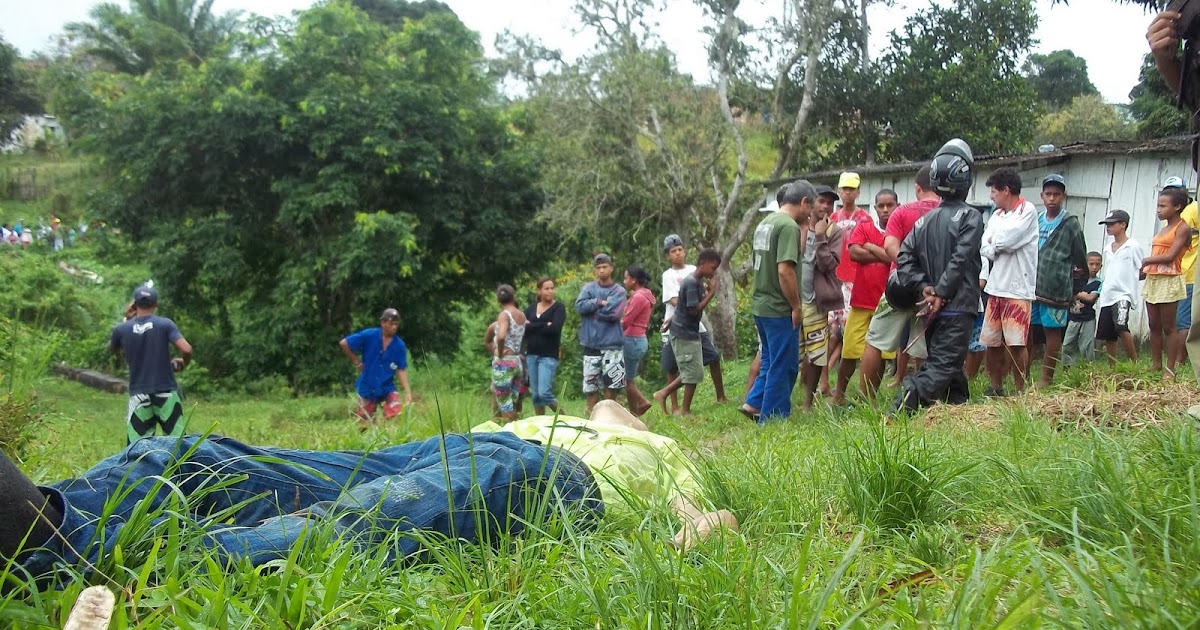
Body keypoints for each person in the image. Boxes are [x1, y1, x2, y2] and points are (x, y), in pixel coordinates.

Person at [0, 401, 737, 581]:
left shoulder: (669, 456)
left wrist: (691, 530)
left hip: (553, 482)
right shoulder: (602, 416)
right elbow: (611, 406)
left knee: (367, 517)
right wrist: (613, 413)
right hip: (480, 439)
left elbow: (710, 520)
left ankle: (95, 566)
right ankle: (42, 520)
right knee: (197, 456)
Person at [890, 139, 983, 416]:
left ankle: (958, 411)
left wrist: (925, 289)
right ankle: (898, 410)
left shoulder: (923, 221)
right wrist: (939, 292)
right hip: (958, 305)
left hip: (935, 306)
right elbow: (960, 259)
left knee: (950, 364)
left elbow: (904, 258)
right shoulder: (971, 217)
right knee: (942, 366)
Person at [860, 167, 940, 399]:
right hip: (936, 288)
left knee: (875, 340)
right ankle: (926, 400)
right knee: (926, 344)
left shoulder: (902, 212)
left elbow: (890, 247)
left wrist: (912, 271)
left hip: (900, 285)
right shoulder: (948, 212)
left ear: (917, 188)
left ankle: (867, 401)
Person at [741, 181, 814, 423]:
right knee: (784, 365)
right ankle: (772, 419)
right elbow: (785, 271)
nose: (810, 214)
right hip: (778, 308)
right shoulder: (788, 226)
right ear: (804, 202)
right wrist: (795, 306)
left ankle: (754, 403)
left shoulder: (766, 223)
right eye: (810, 208)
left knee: (771, 359)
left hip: (761, 303)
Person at [834, 189, 896, 405]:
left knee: (881, 353)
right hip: (861, 299)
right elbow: (853, 253)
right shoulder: (865, 227)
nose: (886, 210)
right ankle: (838, 395)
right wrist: (885, 254)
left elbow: (898, 257)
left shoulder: (899, 231)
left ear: (897, 206)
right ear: (875, 208)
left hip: (887, 301)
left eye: (890, 205)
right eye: (881, 205)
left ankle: (869, 398)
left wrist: (869, 247)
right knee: (850, 350)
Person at [979, 167, 1038, 396]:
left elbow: (1006, 241)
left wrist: (996, 243)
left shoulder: (1028, 210)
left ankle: (1020, 389)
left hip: (1018, 288)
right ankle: (996, 386)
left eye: (994, 191)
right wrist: (995, 244)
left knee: (1016, 343)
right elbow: (986, 245)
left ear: (1006, 190)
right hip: (996, 287)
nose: (992, 196)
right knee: (992, 342)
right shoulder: (996, 216)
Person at [109, 285, 194, 444]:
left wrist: (127, 319)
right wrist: (183, 363)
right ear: (156, 304)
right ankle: (179, 469)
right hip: (166, 392)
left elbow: (112, 349)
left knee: (138, 449)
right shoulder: (165, 325)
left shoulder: (122, 329)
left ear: (134, 305)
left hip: (139, 394)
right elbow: (186, 349)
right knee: (178, 445)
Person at [1029, 174, 1088, 388]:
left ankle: (1047, 379)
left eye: (1056, 194)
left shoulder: (1070, 224)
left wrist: (1075, 288)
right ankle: (1023, 376)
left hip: (1056, 289)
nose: (1052, 198)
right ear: (1042, 196)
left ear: (1063, 196)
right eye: (1048, 194)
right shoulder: (1036, 220)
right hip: (1033, 286)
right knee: (1029, 333)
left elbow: (1081, 259)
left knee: (1052, 333)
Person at [660, 235, 728, 411]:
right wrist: (711, 293)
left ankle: (671, 399)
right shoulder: (684, 279)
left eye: (680, 249)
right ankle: (679, 407)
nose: (714, 272)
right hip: (683, 331)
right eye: (713, 268)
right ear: (704, 264)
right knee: (683, 370)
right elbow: (691, 308)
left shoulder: (693, 275)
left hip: (690, 329)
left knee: (697, 368)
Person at [824, 172, 874, 396]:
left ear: (858, 191)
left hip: (855, 281)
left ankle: (846, 384)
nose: (848, 193)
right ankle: (823, 378)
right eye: (844, 188)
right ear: (839, 191)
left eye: (852, 189)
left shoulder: (865, 218)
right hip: (834, 278)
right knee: (829, 331)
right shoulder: (832, 218)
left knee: (849, 333)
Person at [797, 184, 844, 411]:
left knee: (817, 354)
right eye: (821, 201)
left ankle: (808, 402)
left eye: (830, 203)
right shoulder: (796, 226)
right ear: (811, 202)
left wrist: (820, 237)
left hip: (817, 301)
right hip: (794, 300)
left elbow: (828, 265)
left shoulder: (835, 232)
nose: (826, 206)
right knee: (791, 353)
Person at [1142, 188, 1191, 377]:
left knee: (1169, 327)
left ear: (1177, 207)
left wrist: (1146, 261)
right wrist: (1145, 270)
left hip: (1169, 278)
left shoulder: (1182, 228)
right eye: (1158, 206)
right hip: (1154, 278)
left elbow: (1171, 256)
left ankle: (1170, 368)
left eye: (1163, 206)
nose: (1159, 210)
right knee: (1154, 324)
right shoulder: (1164, 228)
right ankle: (1156, 364)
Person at [339, 308, 414, 429]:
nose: (394, 327)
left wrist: (408, 393)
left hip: (386, 387)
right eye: (391, 324)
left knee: (395, 414)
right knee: (364, 426)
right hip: (367, 387)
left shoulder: (399, 345)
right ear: (383, 322)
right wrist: (357, 363)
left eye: (396, 324)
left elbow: (401, 369)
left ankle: (390, 440)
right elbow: (344, 343)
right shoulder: (369, 335)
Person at [575, 253, 628, 412]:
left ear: (611, 268)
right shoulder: (588, 288)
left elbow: (614, 314)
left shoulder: (619, 291)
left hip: (612, 345)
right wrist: (598, 302)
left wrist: (592, 311)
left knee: (611, 386)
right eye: (598, 268)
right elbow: (579, 307)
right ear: (595, 270)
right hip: (591, 345)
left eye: (605, 267)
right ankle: (591, 419)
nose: (602, 270)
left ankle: (609, 417)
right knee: (590, 387)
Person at [1095, 210, 1145, 366]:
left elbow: (1142, 269)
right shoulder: (1108, 247)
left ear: (1123, 224)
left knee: (1121, 326)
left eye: (1112, 224)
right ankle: (1112, 365)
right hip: (1107, 294)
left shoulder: (1133, 246)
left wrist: (1131, 280)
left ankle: (1134, 362)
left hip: (1123, 293)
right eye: (1107, 224)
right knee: (1108, 333)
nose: (1108, 227)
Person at [1161, 177, 1200, 369]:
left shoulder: (1189, 213)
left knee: (1182, 321)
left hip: (1186, 272)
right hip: (1182, 272)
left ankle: (1178, 361)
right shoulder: (1182, 214)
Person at [525, 277, 565, 415]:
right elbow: (524, 328)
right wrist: (543, 324)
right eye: (546, 288)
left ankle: (564, 418)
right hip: (531, 354)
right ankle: (540, 424)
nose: (550, 291)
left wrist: (533, 326)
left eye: (552, 288)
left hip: (548, 355)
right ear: (539, 291)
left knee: (544, 393)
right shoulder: (530, 308)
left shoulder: (558, 308)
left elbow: (554, 329)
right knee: (536, 396)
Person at [621, 266, 656, 416]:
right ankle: (634, 412)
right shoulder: (647, 295)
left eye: (626, 278)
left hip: (632, 339)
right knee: (629, 378)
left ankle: (641, 402)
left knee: (628, 380)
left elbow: (626, 321)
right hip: (639, 338)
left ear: (634, 280)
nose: (624, 281)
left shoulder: (638, 297)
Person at [489, 285, 527, 420]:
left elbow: (501, 336)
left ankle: (507, 435)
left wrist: (499, 352)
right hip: (516, 361)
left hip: (504, 362)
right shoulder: (521, 315)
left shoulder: (504, 315)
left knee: (505, 405)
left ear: (498, 300)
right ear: (513, 297)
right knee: (512, 402)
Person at [1063, 252, 1103, 366]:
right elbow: (1067, 293)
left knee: (1087, 345)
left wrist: (1075, 293)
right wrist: (1082, 294)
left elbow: (1091, 298)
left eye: (1097, 264)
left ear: (1101, 266)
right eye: (1091, 264)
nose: (1094, 267)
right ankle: (1068, 369)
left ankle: (1089, 369)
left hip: (1087, 319)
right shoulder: (1076, 279)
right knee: (1067, 344)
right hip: (1073, 317)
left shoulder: (1098, 282)